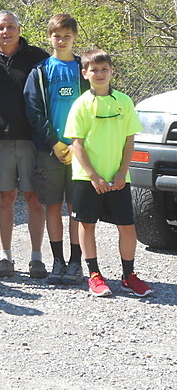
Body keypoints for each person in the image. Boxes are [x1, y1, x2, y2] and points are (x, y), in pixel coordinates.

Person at [63, 49, 152, 298]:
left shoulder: (124, 101)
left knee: (127, 227)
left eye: (104, 69)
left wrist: (122, 172)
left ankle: (129, 276)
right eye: (94, 70)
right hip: (87, 178)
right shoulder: (81, 104)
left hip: (118, 178)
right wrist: (94, 176)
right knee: (86, 224)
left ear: (112, 71)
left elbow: (129, 140)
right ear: (85, 73)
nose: (100, 74)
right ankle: (94, 274)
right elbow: (76, 144)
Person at [0, 10, 49, 278]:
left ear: (19, 29)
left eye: (10, 26)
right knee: (5, 198)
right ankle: (5, 257)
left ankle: (36, 258)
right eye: (0, 28)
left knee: (34, 199)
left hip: (33, 140)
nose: (6, 32)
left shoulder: (38, 58)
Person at [24, 14, 88, 285]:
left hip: (80, 151)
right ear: (49, 38)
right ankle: (58, 262)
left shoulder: (85, 68)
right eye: (56, 36)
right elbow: (33, 110)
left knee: (76, 208)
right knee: (52, 205)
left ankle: (76, 263)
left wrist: (77, 144)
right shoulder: (40, 71)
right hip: (49, 150)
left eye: (66, 36)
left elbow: (93, 106)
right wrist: (55, 142)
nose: (61, 41)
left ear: (74, 38)